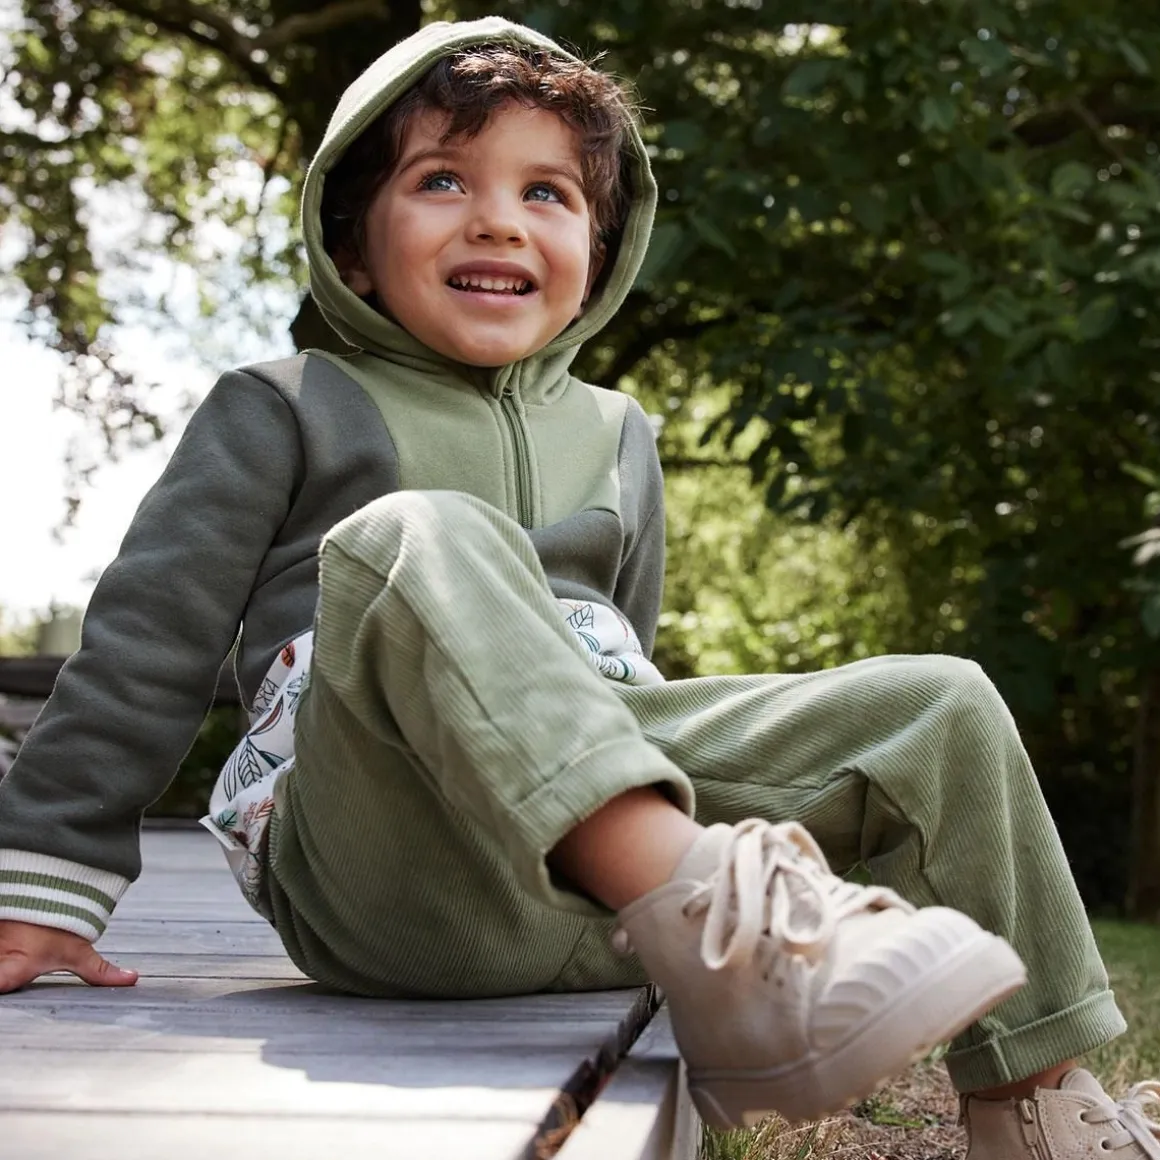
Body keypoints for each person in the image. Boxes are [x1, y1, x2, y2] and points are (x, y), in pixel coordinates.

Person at [0, 16, 1156, 1155]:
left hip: (592, 896)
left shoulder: (616, 433)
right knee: (422, 531)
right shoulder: (285, 404)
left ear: (599, 251)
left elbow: (627, 670)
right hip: (385, 864)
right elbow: (145, 645)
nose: (497, 217)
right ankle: (717, 918)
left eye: (545, 192)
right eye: (442, 179)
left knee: (937, 701)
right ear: (349, 243)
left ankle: (1037, 1110)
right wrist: (47, 877)